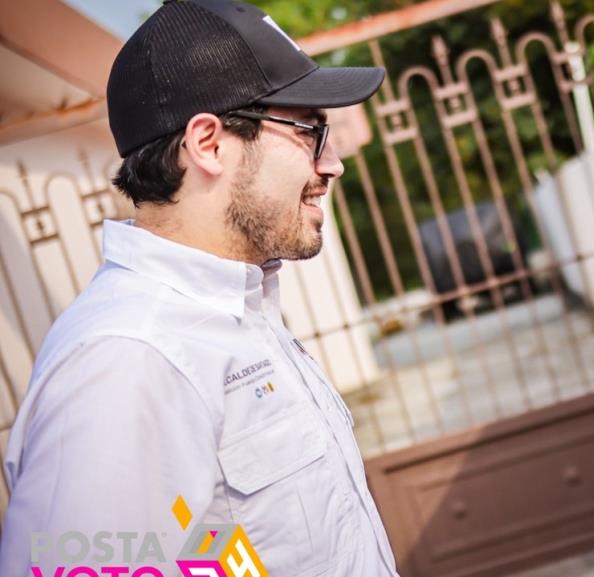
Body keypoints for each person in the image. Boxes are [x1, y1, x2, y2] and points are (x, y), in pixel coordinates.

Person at [0, 1, 399, 576]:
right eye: (312, 130)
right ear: (208, 143)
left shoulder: (234, 313)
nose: (332, 164)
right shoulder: (128, 360)